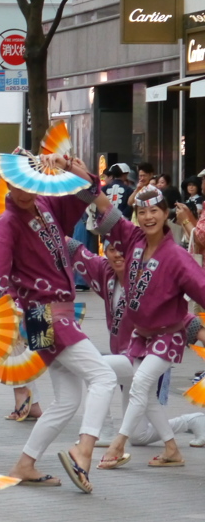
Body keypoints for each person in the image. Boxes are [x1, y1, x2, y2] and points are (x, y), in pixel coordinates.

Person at [0, 151, 116, 492]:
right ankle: (83, 451)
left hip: (47, 315)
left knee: (68, 400)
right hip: (45, 313)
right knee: (103, 376)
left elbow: (85, 195)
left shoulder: (47, 205)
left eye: (29, 180)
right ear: (7, 184)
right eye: (15, 182)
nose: (23, 189)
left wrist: (73, 168)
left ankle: (25, 463)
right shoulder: (6, 225)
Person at [91, 187, 205, 469]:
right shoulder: (135, 240)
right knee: (147, 393)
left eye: (154, 210)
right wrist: (83, 177)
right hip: (141, 336)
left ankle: (117, 444)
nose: (147, 217)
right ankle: (171, 449)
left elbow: (202, 288)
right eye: (142, 212)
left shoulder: (177, 256)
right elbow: (109, 211)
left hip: (169, 334)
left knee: (140, 384)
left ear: (166, 214)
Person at [69, 235, 205, 450]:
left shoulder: (149, 278)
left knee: (95, 367)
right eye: (112, 249)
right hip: (125, 358)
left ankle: (104, 431)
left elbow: (175, 313)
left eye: (123, 250)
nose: (118, 255)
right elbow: (77, 251)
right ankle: (192, 421)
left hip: (150, 356)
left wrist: (199, 334)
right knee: (139, 436)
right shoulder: (105, 272)